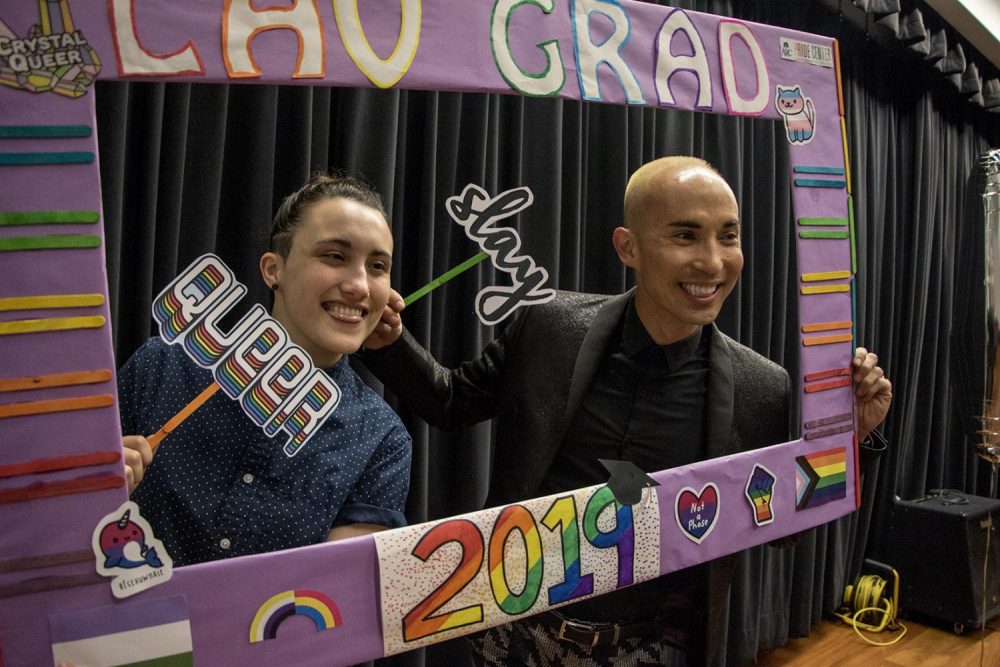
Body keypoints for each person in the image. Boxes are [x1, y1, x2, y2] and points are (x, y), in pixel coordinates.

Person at [359, 156, 892, 666]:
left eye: (728, 235)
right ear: (627, 246)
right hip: (512, 634)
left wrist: (853, 438)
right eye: (685, 235)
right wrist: (389, 342)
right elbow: (451, 402)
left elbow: (784, 528)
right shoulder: (547, 329)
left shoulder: (762, 387)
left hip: (654, 648)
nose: (712, 260)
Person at [118, 173, 412, 566]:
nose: (360, 285)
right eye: (335, 256)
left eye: (377, 266)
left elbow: (338, 595)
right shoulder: (162, 366)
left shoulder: (380, 440)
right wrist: (88, 492)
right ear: (274, 269)